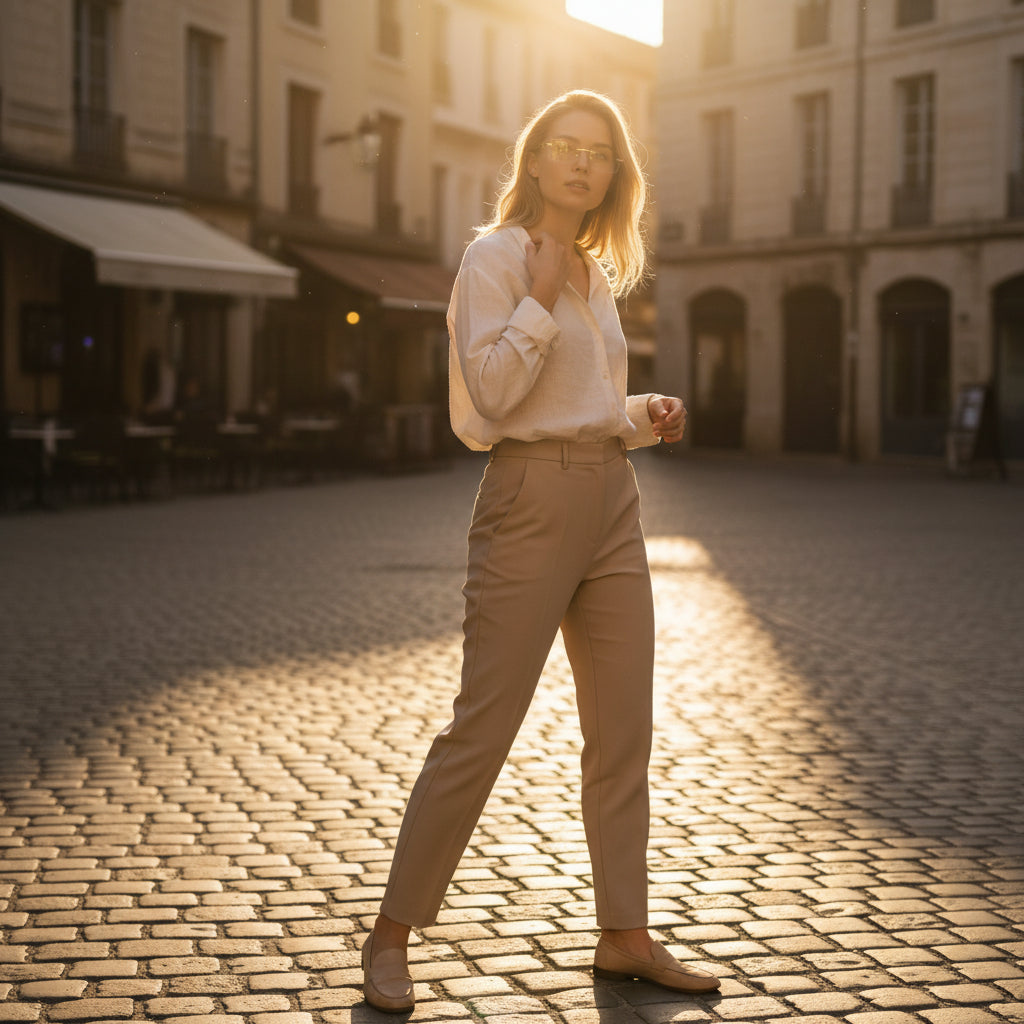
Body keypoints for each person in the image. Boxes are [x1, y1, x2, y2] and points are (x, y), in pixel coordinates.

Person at [362, 90, 720, 1013]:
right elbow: (489, 400)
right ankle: (391, 933)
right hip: (527, 498)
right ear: (533, 159)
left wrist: (647, 415)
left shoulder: (597, 275)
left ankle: (625, 934)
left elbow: (585, 407)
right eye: (564, 146)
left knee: (623, 730)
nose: (580, 163)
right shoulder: (494, 259)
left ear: (615, 175)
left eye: (598, 152)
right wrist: (538, 299)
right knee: (484, 725)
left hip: (612, 498)